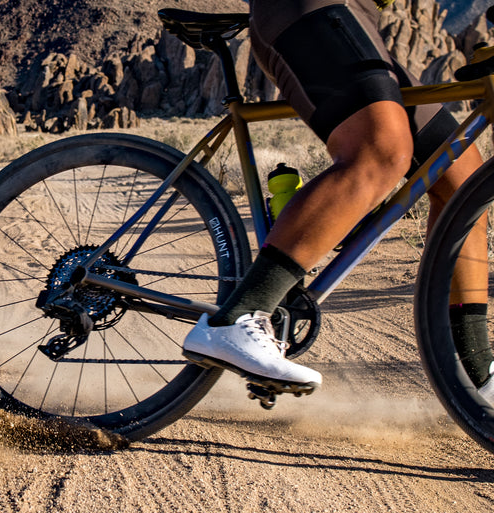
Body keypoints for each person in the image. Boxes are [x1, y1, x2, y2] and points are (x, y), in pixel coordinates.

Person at [182, 0, 492, 396]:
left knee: (463, 180)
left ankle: (478, 379)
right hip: (308, 7)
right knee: (380, 150)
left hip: (359, 15)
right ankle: (237, 319)